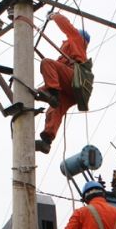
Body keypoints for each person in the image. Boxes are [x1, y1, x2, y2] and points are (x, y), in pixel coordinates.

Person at [36, 13, 91, 154]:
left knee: (47, 63)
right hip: (72, 91)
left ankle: (53, 95)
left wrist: (55, 16)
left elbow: (67, 26)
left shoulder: (77, 40)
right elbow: (54, 78)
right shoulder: (65, 59)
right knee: (54, 111)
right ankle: (46, 141)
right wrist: (37, 92)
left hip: (74, 79)